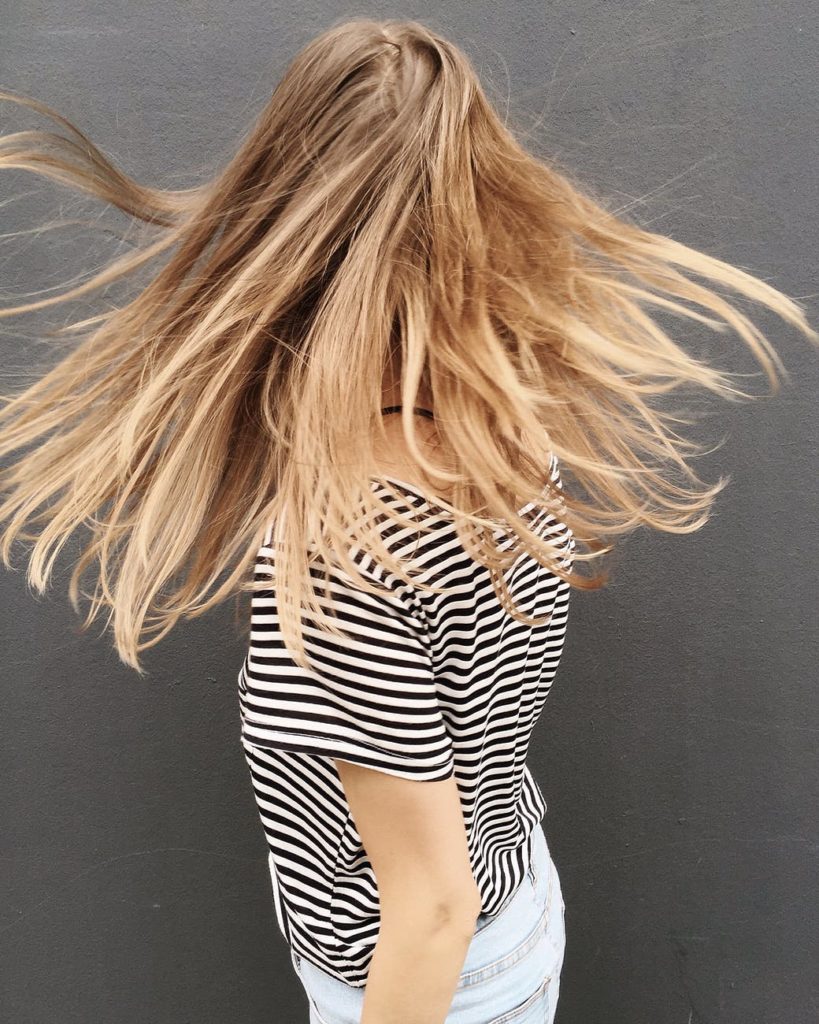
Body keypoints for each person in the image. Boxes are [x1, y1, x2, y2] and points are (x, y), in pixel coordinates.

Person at [0, 15, 816, 1024]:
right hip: (517, 900)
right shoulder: (508, 420)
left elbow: (427, 910)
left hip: (424, 977)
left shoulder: (346, 552)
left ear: (280, 212)